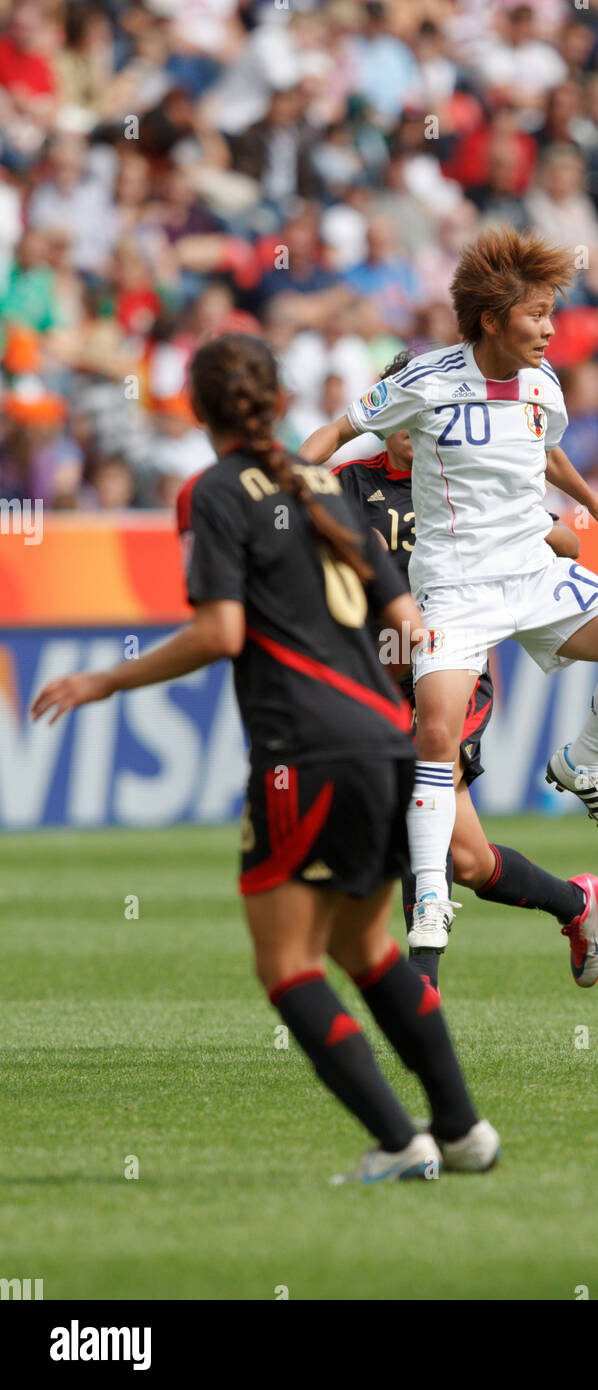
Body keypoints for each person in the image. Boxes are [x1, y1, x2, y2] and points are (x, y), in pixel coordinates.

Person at [30, 331, 499, 1184]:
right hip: (387, 742)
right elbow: (408, 624)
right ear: (279, 403)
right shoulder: (325, 483)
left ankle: (402, 1143)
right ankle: (463, 1129)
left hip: (304, 751)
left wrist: (105, 679)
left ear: (199, 410)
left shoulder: (212, 492)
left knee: (287, 964)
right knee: (368, 950)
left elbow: (222, 633)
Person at [300, 226, 598, 960]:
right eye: (538, 314)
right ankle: (437, 905)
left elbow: (544, 443)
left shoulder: (541, 383)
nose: (550, 327)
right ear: (493, 319)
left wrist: (594, 507)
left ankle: (582, 764)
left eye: (550, 312)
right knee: (435, 747)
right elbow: (337, 429)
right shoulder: (424, 381)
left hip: (531, 575)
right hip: (458, 591)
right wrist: (276, 482)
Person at [333, 349, 598, 992]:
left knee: (411, 795)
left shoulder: (466, 479)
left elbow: (569, 542)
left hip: (452, 668)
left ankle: (420, 983)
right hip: (374, 679)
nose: (411, 422)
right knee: (468, 861)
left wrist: (528, 533)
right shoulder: (349, 485)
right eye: (399, 408)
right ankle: (575, 904)